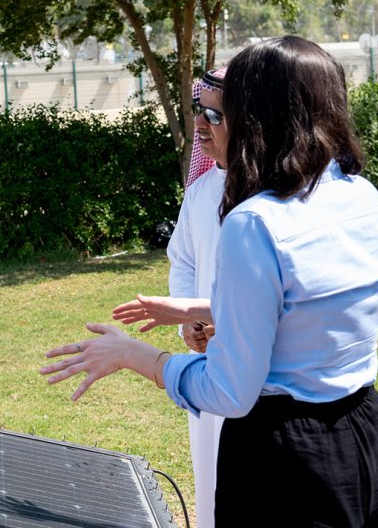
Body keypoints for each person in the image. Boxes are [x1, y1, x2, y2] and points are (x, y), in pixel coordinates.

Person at [41, 36, 378, 527]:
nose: (209, 126)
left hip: (283, 459)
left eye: (222, 113)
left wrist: (134, 355)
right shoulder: (363, 197)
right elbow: (311, 308)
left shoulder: (254, 222)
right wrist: (200, 311)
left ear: (260, 119)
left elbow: (232, 391)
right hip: (364, 433)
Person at [112, 68, 227, 528]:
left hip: (260, 373)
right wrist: (187, 321)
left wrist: (232, 321)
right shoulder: (200, 191)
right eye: (200, 110)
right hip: (207, 361)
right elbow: (184, 259)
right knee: (212, 476)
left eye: (214, 114)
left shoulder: (270, 192)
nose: (201, 124)